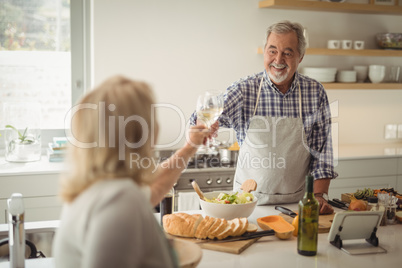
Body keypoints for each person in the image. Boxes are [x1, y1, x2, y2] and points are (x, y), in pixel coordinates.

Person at [53, 76, 209, 268]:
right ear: (137, 135)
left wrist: (190, 147)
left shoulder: (100, 190)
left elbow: (154, 190)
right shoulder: (119, 201)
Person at [190, 20, 337, 215]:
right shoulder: (245, 90)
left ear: (300, 57)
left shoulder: (314, 92)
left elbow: (322, 151)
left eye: (287, 52)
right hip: (247, 204)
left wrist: (319, 197)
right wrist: (206, 124)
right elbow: (200, 117)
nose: (278, 59)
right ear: (265, 51)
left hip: (296, 205)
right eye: (272, 50)